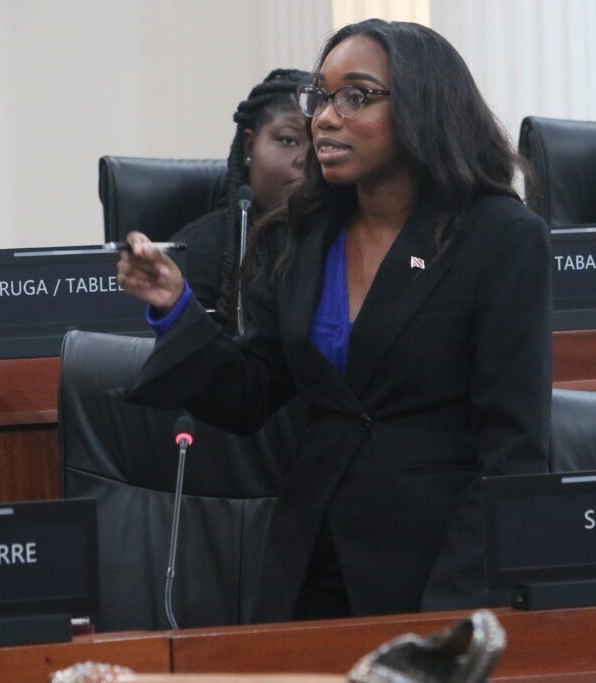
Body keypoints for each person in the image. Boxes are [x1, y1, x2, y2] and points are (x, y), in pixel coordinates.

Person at [117, 18, 551, 621]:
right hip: (309, 559)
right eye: (320, 97)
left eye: (357, 96)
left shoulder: (499, 237)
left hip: (440, 565)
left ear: (424, 107)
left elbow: (514, 448)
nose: (323, 117)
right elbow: (252, 391)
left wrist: (461, 607)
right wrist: (175, 309)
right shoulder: (301, 234)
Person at [170, 68, 311, 333]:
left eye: (320, 144)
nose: (306, 158)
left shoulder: (347, 241)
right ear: (249, 147)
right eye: (289, 140)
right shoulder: (196, 251)